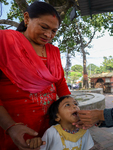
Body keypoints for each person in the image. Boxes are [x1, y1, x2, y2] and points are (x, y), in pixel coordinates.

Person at [0, 1, 71, 150]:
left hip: (48, 123)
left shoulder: (54, 52)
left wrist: (72, 109)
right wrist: (10, 126)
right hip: (12, 124)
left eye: (54, 31)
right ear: (26, 18)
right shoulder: (4, 42)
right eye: (44, 27)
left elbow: (60, 83)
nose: (48, 35)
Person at [26, 95, 94, 150]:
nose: (74, 106)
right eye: (67, 105)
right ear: (57, 117)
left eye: (75, 103)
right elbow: (41, 147)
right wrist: (35, 143)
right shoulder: (52, 132)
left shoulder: (84, 130)